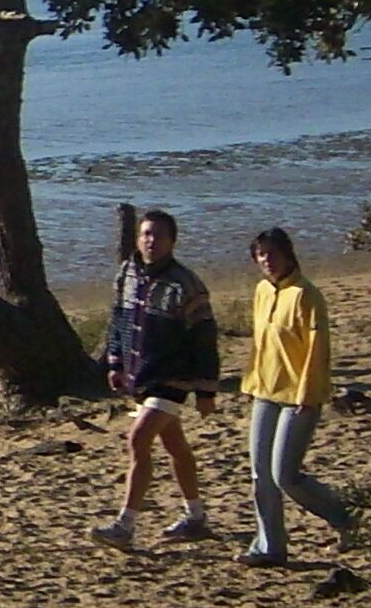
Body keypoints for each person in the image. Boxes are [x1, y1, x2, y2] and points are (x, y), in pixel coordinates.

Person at [93, 206, 222, 548]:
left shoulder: (186, 284)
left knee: (138, 439)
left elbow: (204, 339)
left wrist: (206, 390)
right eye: (147, 234)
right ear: (138, 238)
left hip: (173, 376)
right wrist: (115, 363)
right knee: (174, 445)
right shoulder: (127, 273)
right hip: (141, 375)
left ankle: (125, 525)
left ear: (172, 241)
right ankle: (195, 516)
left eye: (159, 235)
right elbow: (118, 318)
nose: (152, 241)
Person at [239, 226, 356, 566]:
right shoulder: (262, 291)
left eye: (272, 253)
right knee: (260, 476)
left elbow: (318, 349)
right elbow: (260, 345)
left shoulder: (306, 294)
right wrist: (251, 382)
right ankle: (269, 546)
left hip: (300, 396)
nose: (267, 261)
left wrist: (307, 393)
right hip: (265, 392)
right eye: (261, 255)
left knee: (285, 475)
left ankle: (347, 517)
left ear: (288, 254)